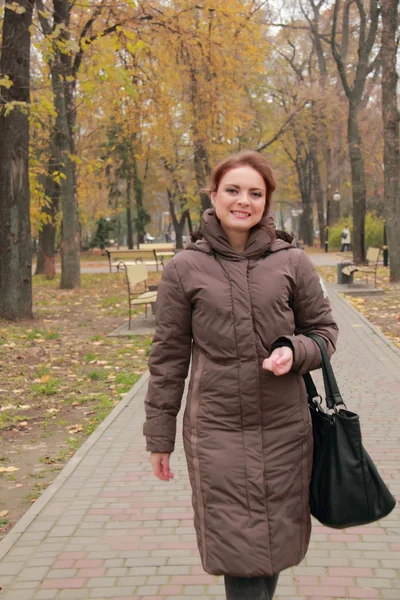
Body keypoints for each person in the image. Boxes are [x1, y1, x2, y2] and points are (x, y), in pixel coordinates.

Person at [144, 150, 338, 600]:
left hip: (285, 427)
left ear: (267, 201)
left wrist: (295, 350)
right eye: (233, 190)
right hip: (217, 431)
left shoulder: (293, 262)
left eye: (255, 192)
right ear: (214, 195)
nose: (243, 201)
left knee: (272, 545)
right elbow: (168, 357)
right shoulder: (183, 269)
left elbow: (324, 332)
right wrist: (159, 436)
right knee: (241, 551)